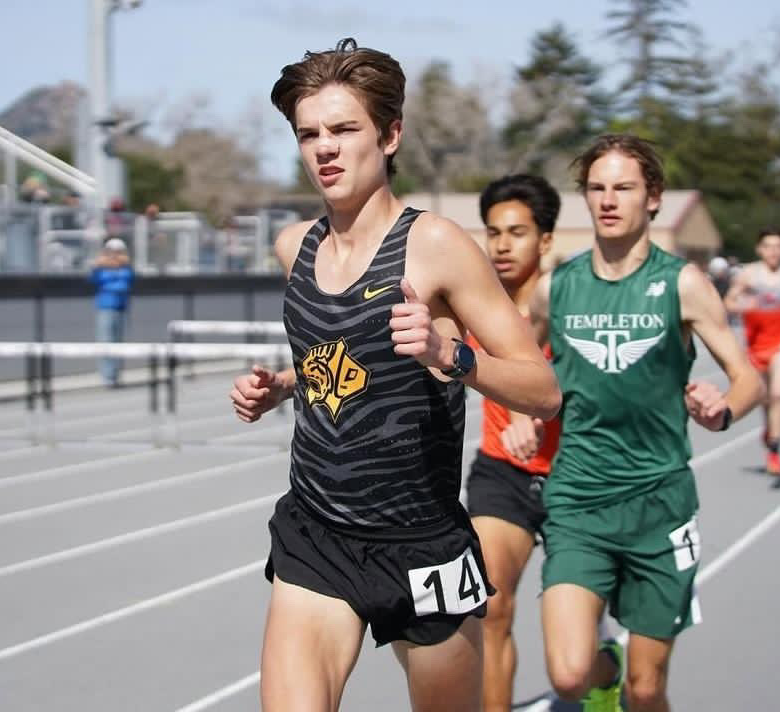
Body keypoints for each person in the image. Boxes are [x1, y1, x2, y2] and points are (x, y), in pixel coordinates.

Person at [229, 39, 561, 712]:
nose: (324, 148)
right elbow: (337, 360)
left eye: (343, 129)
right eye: (309, 134)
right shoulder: (294, 246)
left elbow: (542, 390)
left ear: (389, 134)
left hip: (422, 542)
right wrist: (283, 388)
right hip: (316, 535)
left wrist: (451, 358)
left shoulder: (435, 245)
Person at [529, 134, 763, 711]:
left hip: (659, 504)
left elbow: (748, 376)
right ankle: (600, 675)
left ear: (652, 198)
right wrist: (515, 412)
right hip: (579, 499)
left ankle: (624, 683)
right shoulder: (556, 287)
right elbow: (515, 361)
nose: (608, 200)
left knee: (648, 688)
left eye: (624, 188)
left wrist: (722, 407)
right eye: (597, 188)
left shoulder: (682, 283)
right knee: (567, 674)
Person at [461, 174, 562, 711]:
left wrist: (541, 417)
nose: (501, 244)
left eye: (517, 232)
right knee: (490, 604)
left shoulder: (573, 303)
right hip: (502, 472)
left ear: (545, 240)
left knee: (572, 655)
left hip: (576, 475)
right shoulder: (476, 303)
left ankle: (601, 667)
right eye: (493, 232)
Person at [724, 229, 780, 476]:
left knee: (779, 394)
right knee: (764, 397)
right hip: (756, 344)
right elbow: (728, 302)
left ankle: (775, 448)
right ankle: (770, 427)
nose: (773, 251)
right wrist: (744, 306)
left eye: (778, 246)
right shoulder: (748, 275)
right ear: (759, 250)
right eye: (768, 246)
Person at [90, 238, 135, 387]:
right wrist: (108, 271)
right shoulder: (100, 268)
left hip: (120, 308)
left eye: (118, 252)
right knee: (106, 341)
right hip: (105, 308)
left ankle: (116, 375)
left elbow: (125, 283)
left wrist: (111, 276)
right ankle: (107, 376)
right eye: (112, 252)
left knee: (117, 343)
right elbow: (97, 280)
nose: (115, 255)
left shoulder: (126, 268)